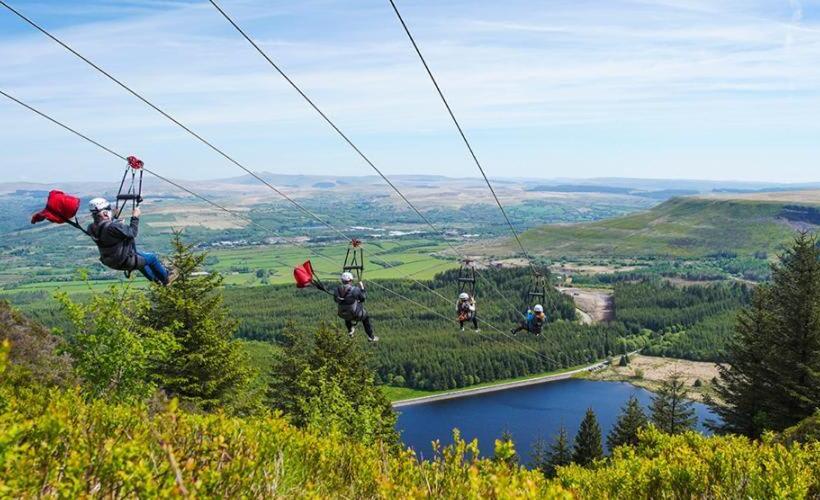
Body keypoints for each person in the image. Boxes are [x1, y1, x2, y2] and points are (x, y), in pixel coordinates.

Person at [86, 198, 172, 285]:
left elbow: (105, 230)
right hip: (125, 260)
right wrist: (135, 217)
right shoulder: (113, 227)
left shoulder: (91, 228)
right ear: (105, 213)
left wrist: (115, 220)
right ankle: (166, 279)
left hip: (111, 261)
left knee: (141, 260)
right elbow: (132, 232)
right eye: (109, 210)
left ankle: (156, 281)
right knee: (152, 258)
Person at [334, 272, 378, 342]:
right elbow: (363, 298)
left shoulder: (337, 289)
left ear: (342, 280)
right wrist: (362, 288)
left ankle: (350, 329)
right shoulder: (355, 289)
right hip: (355, 313)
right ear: (350, 280)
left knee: (347, 314)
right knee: (365, 318)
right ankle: (371, 336)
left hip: (342, 313)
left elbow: (336, 300)